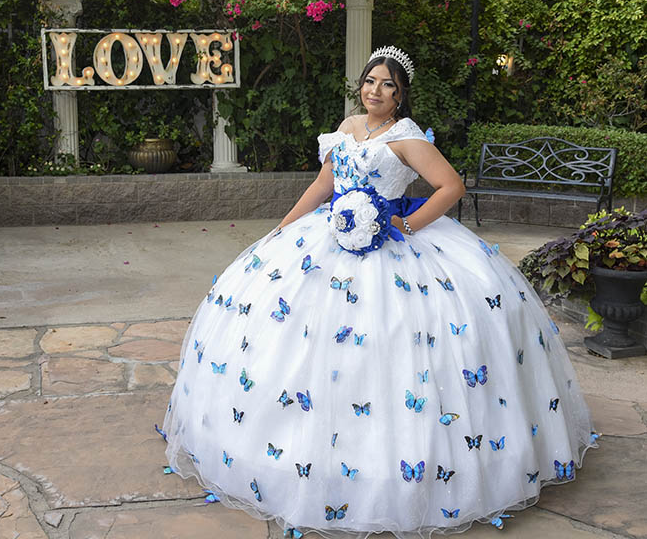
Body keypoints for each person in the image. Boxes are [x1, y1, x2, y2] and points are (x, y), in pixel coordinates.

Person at [160, 46, 596, 538]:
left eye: (387, 85)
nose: (376, 91)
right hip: (329, 239)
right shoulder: (346, 128)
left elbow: (450, 186)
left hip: (392, 243)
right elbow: (323, 185)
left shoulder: (407, 137)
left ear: (400, 94)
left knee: (395, 345)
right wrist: (282, 229)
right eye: (370, 81)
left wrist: (406, 224)